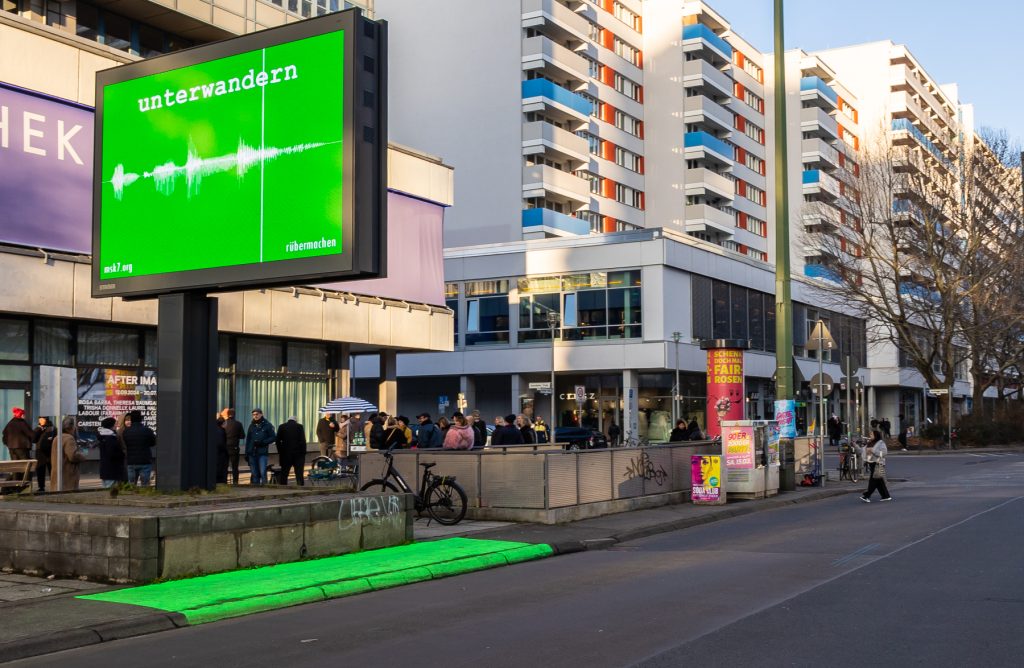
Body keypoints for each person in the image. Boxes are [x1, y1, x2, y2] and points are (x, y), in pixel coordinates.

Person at [50, 416, 87, 491]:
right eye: (74, 426)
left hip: (57, 471)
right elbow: (72, 456)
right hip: (67, 472)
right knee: (68, 494)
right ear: (71, 427)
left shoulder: (57, 437)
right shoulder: (69, 438)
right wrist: (83, 456)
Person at [123, 410, 156, 487]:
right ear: (141, 419)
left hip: (131, 461)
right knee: (145, 484)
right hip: (145, 459)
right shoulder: (147, 430)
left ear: (132, 419)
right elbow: (153, 443)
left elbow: (126, 444)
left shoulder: (126, 431)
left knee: (131, 485)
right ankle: (144, 496)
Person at [245, 408, 275, 485]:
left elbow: (273, 437)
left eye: (257, 414)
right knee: (254, 474)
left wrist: (263, 442)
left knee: (262, 472)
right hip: (252, 452)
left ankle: (265, 489)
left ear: (261, 414)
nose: (255, 416)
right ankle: (256, 491)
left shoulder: (267, 425)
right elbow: (248, 440)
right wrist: (246, 453)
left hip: (262, 452)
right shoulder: (251, 426)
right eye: (253, 415)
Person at [861, 429, 892, 503]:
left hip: (878, 463)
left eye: (872, 434)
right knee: (879, 481)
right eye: (870, 434)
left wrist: (873, 451)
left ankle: (867, 495)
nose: (870, 436)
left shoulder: (880, 443)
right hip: (871, 463)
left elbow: (884, 453)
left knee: (873, 480)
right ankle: (886, 496)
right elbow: (862, 451)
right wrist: (855, 446)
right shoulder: (870, 443)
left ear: (876, 435)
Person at [2, 408, 34, 480]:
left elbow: (4, 435)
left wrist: (9, 444)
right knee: (25, 466)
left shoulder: (10, 423)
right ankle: (23, 484)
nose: (24, 416)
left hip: (11, 448)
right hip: (22, 448)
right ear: (20, 415)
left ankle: (14, 484)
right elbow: (31, 434)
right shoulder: (22, 423)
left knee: (15, 467)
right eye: (23, 414)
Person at [276, 416, 307, 486]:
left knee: (284, 472)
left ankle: (283, 487)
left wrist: (280, 451)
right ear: (295, 421)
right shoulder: (299, 427)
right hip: (298, 453)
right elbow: (303, 441)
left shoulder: (281, 426)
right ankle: (300, 487)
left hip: (285, 453)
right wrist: (303, 452)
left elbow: (277, 440)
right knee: (299, 473)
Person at [97, 417, 127, 488]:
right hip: (112, 470)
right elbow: (113, 453)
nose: (116, 426)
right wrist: (122, 454)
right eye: (115, 424)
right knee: (112, 491)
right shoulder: (110, 438)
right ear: (111, 426)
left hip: (106, 470)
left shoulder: (103, 436)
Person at [221, 408, 245, 485]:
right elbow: (242, 436)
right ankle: (235, 482)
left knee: (224, 466)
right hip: (234, 447)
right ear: (234, 415)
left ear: (227, 415)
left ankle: (224, 481)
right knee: (235, 467)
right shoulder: (238, 424)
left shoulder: (224, 424)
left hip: (225, 447)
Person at [32, 417, 56, 492]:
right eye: (39, 419)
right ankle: (41, 487)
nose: (40, 420)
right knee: (40, 470)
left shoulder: (52, 428)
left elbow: (55, 438)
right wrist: (39, 429)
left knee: (52, 469)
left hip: (50, 451)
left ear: (46, 419)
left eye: (42, 419)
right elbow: (33, 439)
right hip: (40, 452)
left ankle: (54, 485)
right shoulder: (38, 428)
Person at [215, 414, 229, 484]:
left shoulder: (216, 429)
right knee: (221, 469)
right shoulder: (221, 431)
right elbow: (221, 444)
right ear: (223, 423)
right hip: (220, 455)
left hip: (217, 454)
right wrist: (226, 451)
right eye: (226, 422)